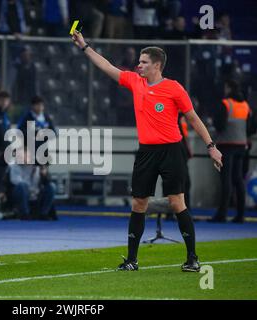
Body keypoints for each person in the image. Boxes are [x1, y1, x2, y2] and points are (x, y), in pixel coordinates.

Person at [71, 30, 223, 272]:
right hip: (146, 152)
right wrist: (84, 46)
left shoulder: (174, 88)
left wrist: (211, 146)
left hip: (172, 151)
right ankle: (132, 260)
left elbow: (193, 119)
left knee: (177, 202)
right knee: (139, 203)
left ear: (157, 65)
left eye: (143, 62)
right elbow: (107, 67)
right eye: (139, 62)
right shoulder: (135, 82)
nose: (138, 65)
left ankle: (192, 258)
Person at [210, 80, 251, 223]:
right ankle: (240, 215)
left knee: (225, 180)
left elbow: (219, 125)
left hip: (226, 145)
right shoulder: (245, 105)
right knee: (238, 179)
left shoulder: (226, 104)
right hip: (241, 145)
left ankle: (222, 214)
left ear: (228, 89)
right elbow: (251, 126)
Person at [8, 149, 56, 220]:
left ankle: (44, 213)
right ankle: (25, 214)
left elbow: (48, 181)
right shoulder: (14, 166)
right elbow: (16, 181)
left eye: (22, 156)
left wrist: (44, 174)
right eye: (18, 156)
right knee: (22, 186)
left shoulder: (38, 166)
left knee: (52, 186)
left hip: (37, 194)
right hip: (22, 194)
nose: (20, 158)